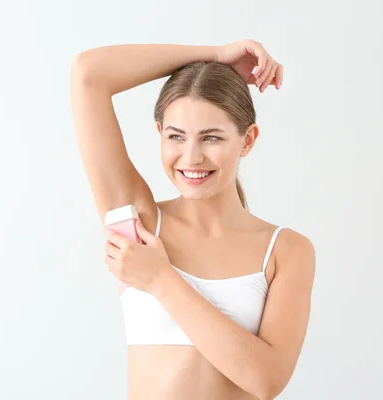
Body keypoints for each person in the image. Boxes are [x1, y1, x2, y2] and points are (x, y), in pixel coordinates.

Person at [70, 40, 316, 400]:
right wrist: (215, 56)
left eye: (211, 137)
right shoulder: (139, 223)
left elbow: (265, 380)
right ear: (160, 135)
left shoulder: (286, 250)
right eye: (176, 137)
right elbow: (87, 73)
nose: (192, 156)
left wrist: (160, 279)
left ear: (247, 141)